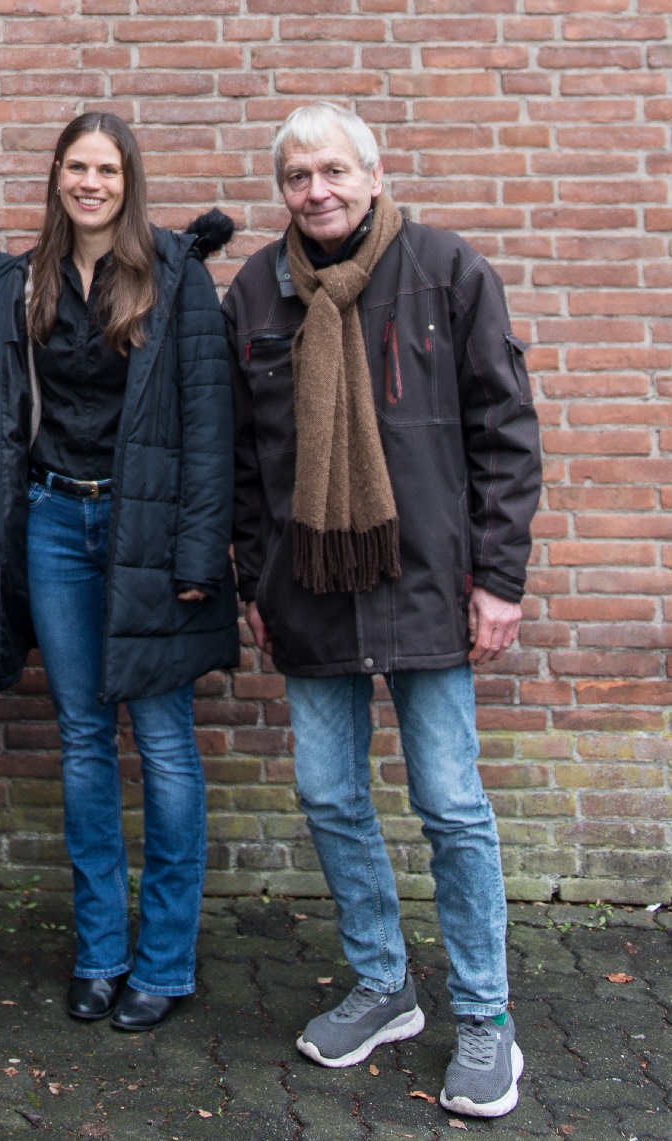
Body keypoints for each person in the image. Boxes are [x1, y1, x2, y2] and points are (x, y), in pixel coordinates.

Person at [223, 102, 541, 1118]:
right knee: (329, 796)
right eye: (296, 176)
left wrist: (500, 577)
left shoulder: (447, 272)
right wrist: (253, 579)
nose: (315, 190)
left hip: (426, 585)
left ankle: (487, 1019)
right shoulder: (258, 294)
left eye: (331, 171)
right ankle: (383, 983)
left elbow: (505, 433)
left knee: (451, 805)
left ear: (372, 173)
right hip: (308, 591)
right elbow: (241, 460)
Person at [0, 112, 238, 1033]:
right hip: (54, 520)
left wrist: (201, 554)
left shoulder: (175, 275)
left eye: (107, 169)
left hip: (148, 536)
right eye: (76, 167)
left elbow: (210, 425)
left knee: (164, 746)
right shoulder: (23, 279)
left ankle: (164, 962)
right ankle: (100, 953)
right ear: (56, 176)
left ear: (130, 180)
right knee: (84, 741)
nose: (91, 182)